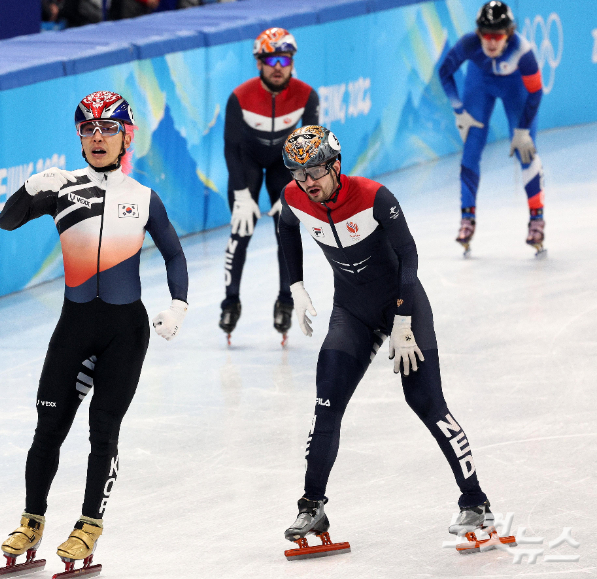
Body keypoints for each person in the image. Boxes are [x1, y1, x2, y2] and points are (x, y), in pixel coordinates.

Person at [277, 125, 498, 549]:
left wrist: (403, 321)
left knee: (427, 402)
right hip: (351, 312)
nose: (307, 183)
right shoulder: (295, 198)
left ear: (336, 166)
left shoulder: (373, 196)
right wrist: (297, 287)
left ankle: (476, 501)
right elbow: (287, 228)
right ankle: (312, 505)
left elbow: (409, 256)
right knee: (327, 403)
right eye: (298, 174)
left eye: (314, 172)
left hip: (403, 304)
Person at [0, 91, 189, 575]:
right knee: (48, 430)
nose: (97, 137)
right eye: (88, 129)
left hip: (125, 331)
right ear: (79, 136)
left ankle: (89, 524)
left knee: (103, 430)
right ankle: (31, 520)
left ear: (127, 135)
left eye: (107, 128)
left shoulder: (143, 198)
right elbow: (6, 220)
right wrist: (28, 187)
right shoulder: (62, 189)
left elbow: (174, 254)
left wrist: (179, 305)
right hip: (74, 326)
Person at [219, 27, 319, 342]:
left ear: (292, 63)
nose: (278, 67)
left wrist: (296, 189)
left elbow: (310, 149)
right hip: (246, 163)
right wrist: (240, 195)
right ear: (259, 63)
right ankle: (230, 301)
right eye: (272, 59)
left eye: (284, 59)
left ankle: (285, 301)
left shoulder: (306, 95)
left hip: (283, 165)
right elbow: (231, 148)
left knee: (285, 230)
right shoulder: (239, 96)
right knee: (241, 229)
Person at [439, 1, 546, 256]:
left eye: (497, 35)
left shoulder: (523, 51)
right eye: (486, 35)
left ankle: (537, 220)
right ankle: (467, 219)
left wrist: (522, 129)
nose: (491, 41)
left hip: (515, 87)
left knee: (526, 151)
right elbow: (444, 72)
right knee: (471, 150)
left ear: (508, 34)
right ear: (478, 34)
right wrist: (458, 109)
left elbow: (536, 91)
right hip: (481, 84)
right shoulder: (468, 44)